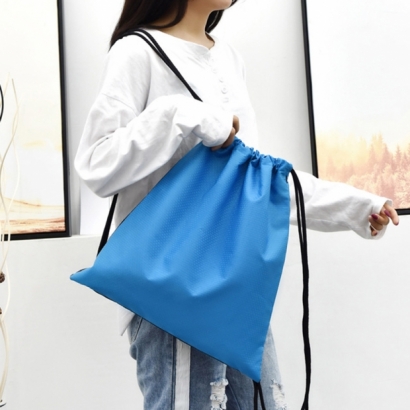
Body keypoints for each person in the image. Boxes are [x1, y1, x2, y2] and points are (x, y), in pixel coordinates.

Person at [74, 0, 400, 408]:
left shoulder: (228, 58)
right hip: (170, 293)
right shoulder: (136, 51)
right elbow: (96, 164)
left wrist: (356, 207)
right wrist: (180, 114)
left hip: (234, 291)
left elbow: (254, 181)